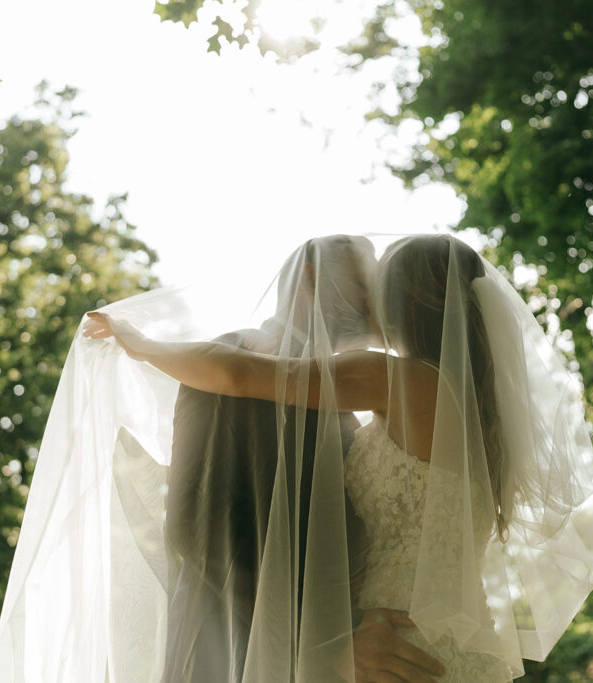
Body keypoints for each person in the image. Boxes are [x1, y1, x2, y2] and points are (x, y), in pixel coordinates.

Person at [82, 234, 593, 681]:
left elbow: (239, 374)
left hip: (398, 643)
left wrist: (139, 341)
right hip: (438, 639)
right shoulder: (475, 410)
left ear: (403, 303)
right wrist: (323, 643)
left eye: (379, 286)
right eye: (365, 283)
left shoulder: (395, 382)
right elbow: (205, 526)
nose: (368, 302)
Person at [160, 235, 444, 682]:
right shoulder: (232, 355)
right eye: (365, 281)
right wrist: (324, 644)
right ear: (311, 274)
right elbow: (196, 521)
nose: (380, 299)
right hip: (231, 654)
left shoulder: (345, 398)